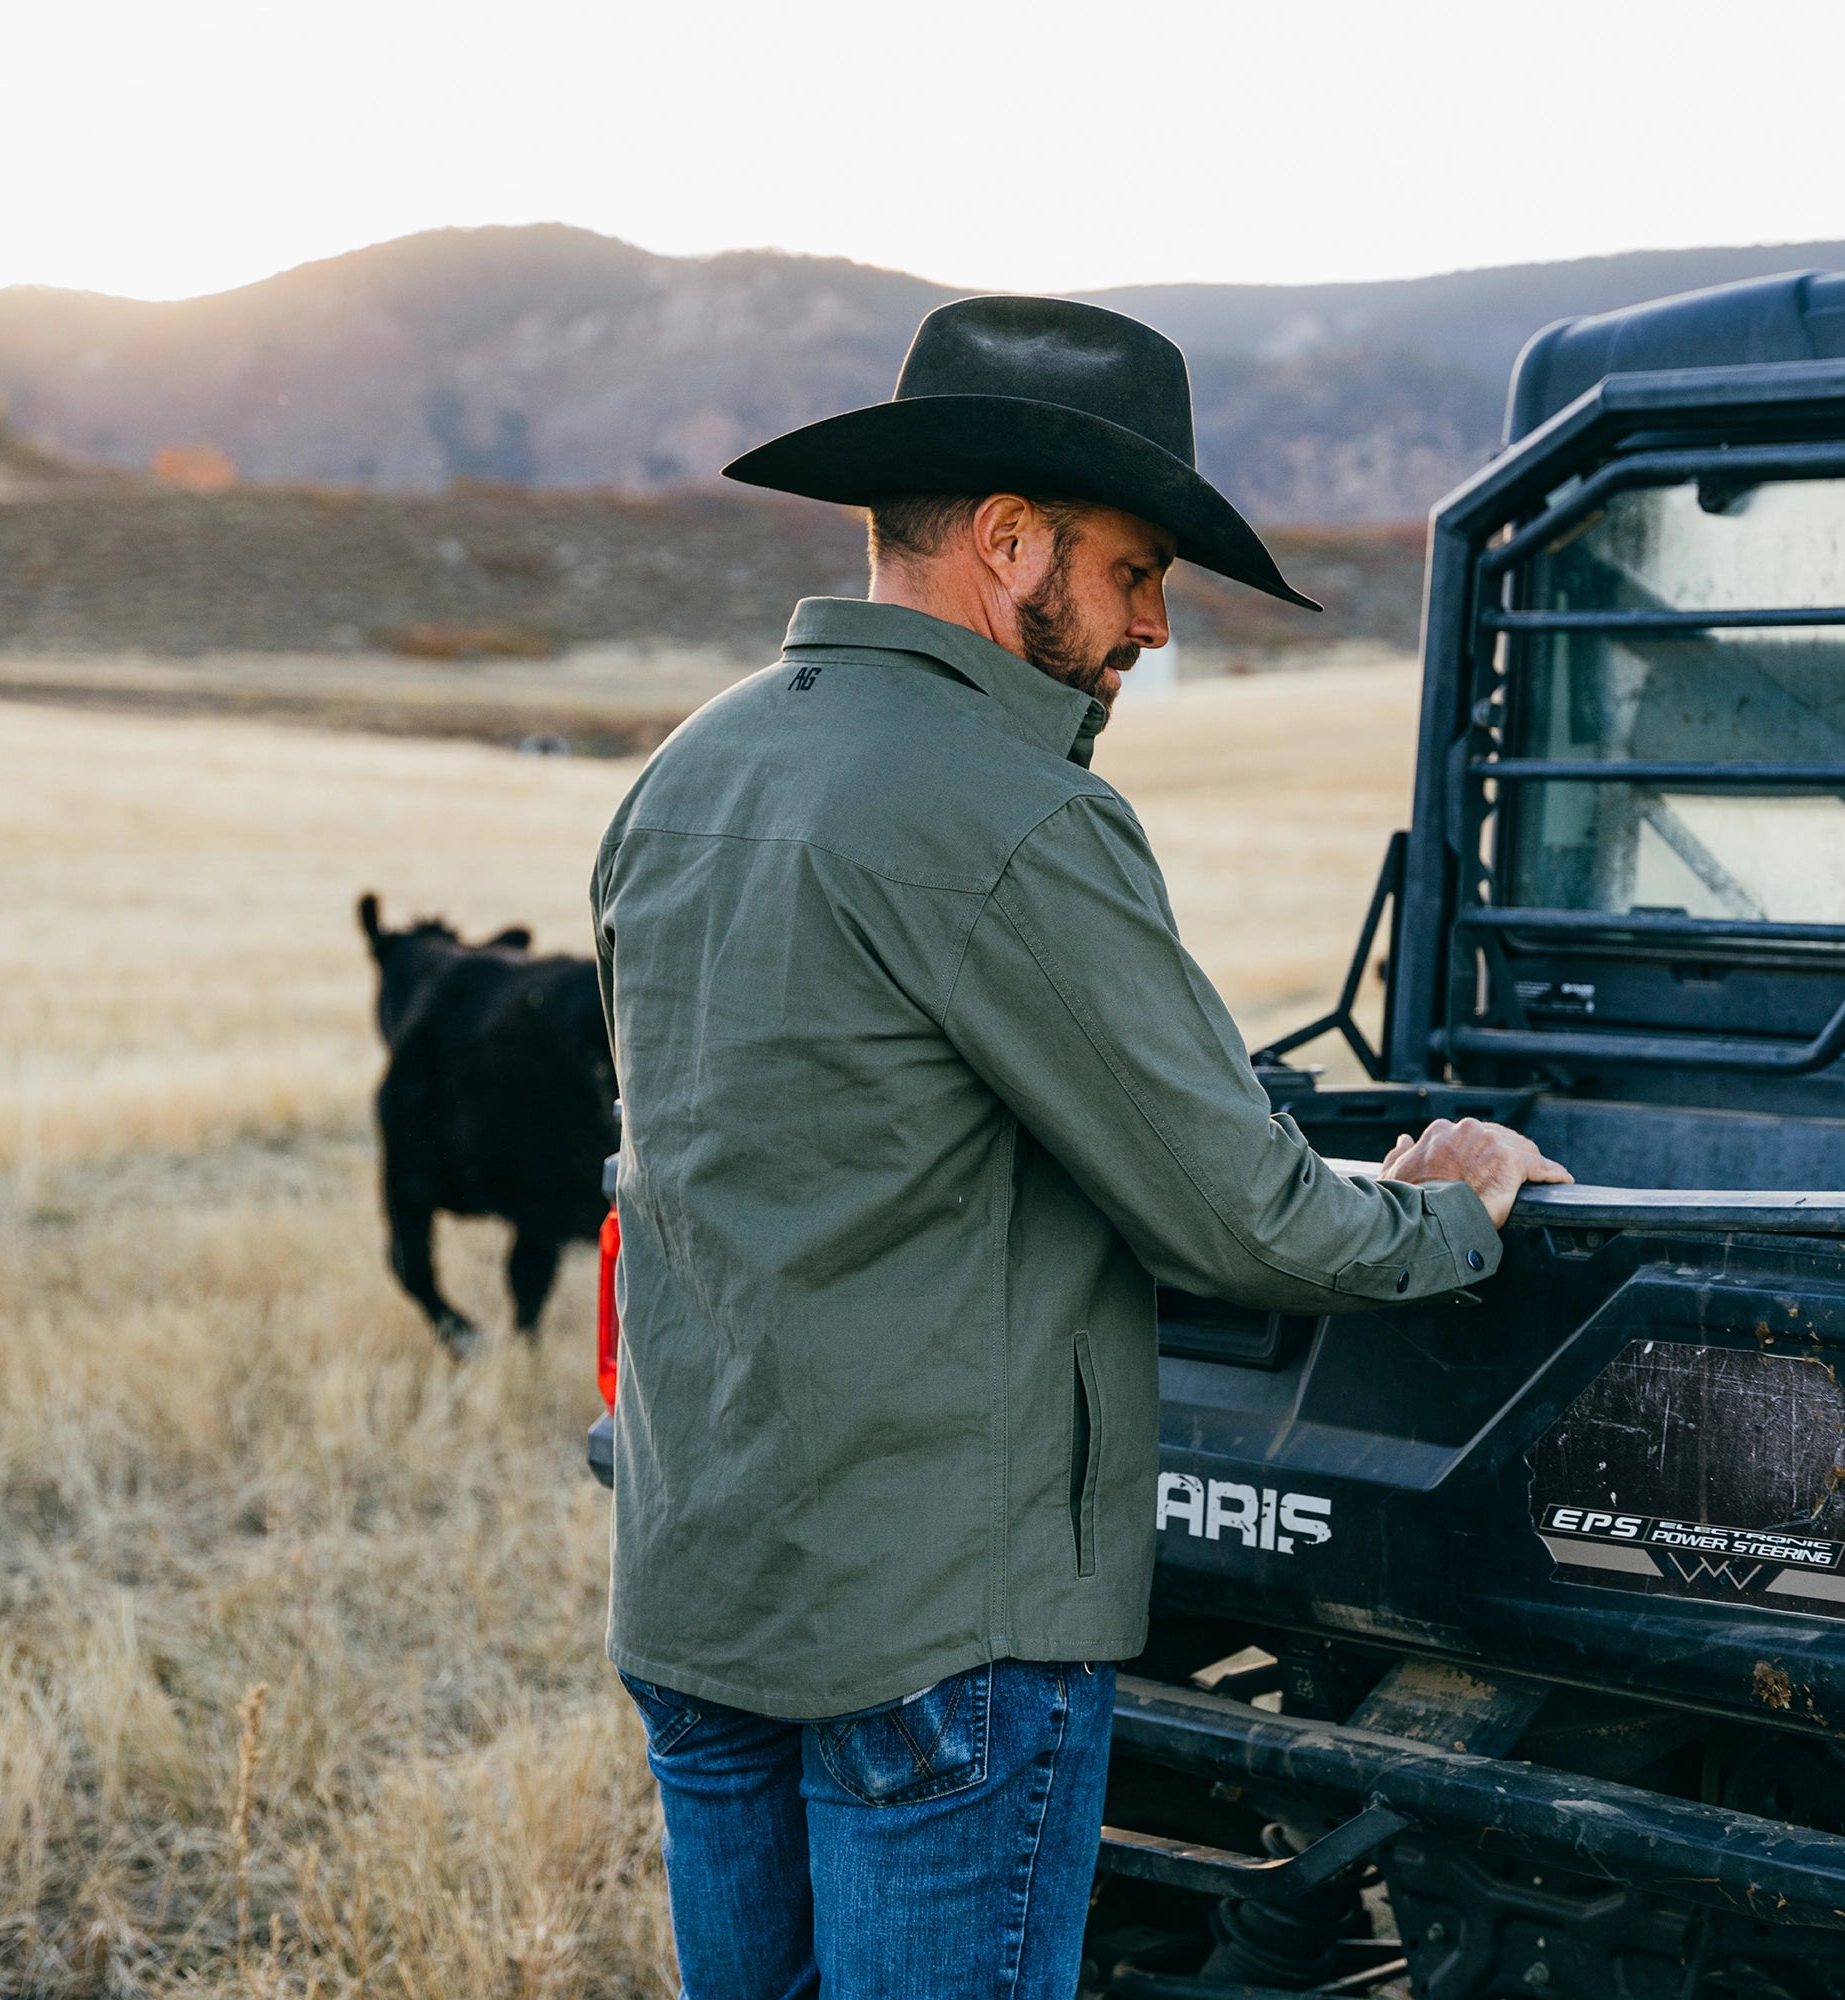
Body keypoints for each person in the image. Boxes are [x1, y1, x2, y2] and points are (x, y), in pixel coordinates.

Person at [590, 294, 1570, 1999]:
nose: (1158, 628)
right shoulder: (1015, 812)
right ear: (1010, 540)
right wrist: (1453, 1210)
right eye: (1136, 573)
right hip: (938, 1633)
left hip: (700, 1591)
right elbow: (1242, 1218)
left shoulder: (689, 771)